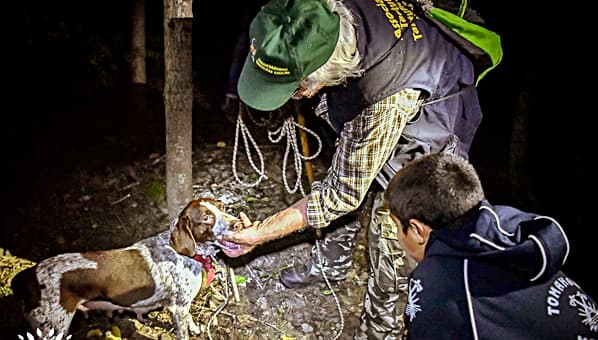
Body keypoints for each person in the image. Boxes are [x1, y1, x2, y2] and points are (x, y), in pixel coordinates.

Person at [220, 0, 501, 338]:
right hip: (381, 88)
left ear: (327, 71)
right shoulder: (317, 14)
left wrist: (260, 233)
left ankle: (380, 326)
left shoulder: (380, 96)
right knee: (342, 173)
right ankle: (329, 267)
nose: (298, 97)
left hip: (425, 131)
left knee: (390, 227)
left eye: (297, 88)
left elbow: (342, 195)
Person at [385, 152, 598, 339]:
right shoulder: (513, 234)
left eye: (396, 225)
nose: (396, 235)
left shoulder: (440, 292)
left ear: (417, 230)